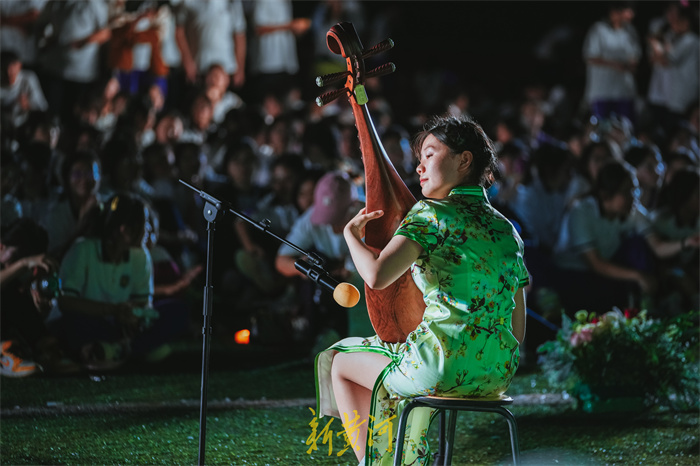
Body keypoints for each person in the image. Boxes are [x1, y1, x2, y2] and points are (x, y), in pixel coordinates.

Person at [315, 114, 529, 465]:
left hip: (440, 367)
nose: (419, 167)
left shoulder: (430, 214)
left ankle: (381, 464)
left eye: (430, 154)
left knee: (339, 361)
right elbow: (517, 331)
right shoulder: (508, 230)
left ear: (464, 160)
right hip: (497, 374)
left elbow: (376, 275)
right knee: (400, 368)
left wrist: (350, 237)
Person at [582, 1, 641, 124]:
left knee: (626, 127)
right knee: (601, 127)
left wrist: (630, 65)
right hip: (602, 91)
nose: (631, 15)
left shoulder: (630, 31)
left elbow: (635, 57)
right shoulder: (599, 30)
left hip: (624, 91)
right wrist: (615, 64)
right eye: (627, 11)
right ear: (615, 12)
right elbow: (590, 56)